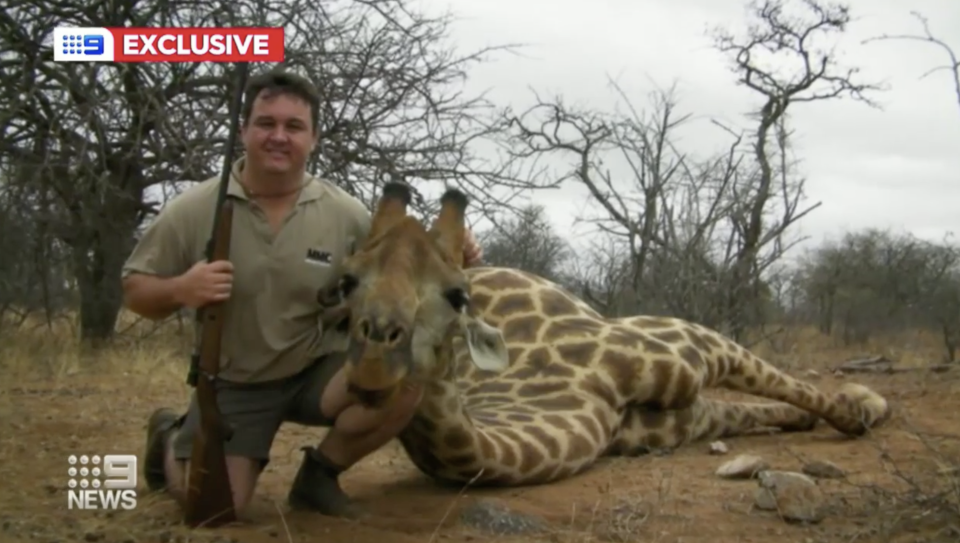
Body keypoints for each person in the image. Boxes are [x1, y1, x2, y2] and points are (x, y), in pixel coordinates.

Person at [120, 69, 484, 519]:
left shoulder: (345, 213)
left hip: (318, 369)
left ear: (313, 138)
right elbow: (135, 289)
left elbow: (407, 261)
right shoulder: (197, 208)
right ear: (243, 130)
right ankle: (168, 440)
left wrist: (458, 250)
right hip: (238, 384)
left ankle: (320, 476)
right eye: (265, 123)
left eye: (293, 127)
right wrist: (181, 288)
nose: (278, 137)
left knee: (404, 375)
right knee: (212, 509)